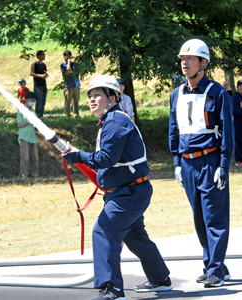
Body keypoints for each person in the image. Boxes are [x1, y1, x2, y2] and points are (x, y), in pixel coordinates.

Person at [63, 75, 172, 300]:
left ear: (112, 97)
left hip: (129, 193)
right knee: (135, 237)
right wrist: (78, 156)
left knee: (103, 232)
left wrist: (78, 155)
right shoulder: (110, 120)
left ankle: (112, 289)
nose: (92, 100)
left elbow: (106, 158)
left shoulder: (115, 122)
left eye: (98, 95)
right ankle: (160, 279)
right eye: (90, 96)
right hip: (127, 191)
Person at [169, 39, 234, 288]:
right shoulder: (177, 93)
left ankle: (215, 269)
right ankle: (214, 265)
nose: (184, 63)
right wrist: (176, 162)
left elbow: (228, 131)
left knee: (214, 218)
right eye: (182, 59)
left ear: (203, 63)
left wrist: (224, 165)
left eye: (190, 59)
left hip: (210, 161)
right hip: (187, 164)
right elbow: (174, 130)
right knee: (199, 217)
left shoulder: (217, 92)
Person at [17, 92, 40, 178]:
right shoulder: (21, 110)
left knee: (35, 158)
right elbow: (19, 125)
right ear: (26, 100)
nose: (32, 101)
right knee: (25, 158)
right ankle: (24, 175)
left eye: (34, 100)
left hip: (32, 137)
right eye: (31, 99)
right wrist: (28, 122)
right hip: (24, 137)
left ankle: (35, 175)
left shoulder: (32, 111)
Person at [60, 50, 81, 118]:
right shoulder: (63, 65)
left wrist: (72, 72)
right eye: (66, 56)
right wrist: (68, 63)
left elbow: (77, 72)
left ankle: (76, 114)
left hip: (76, 84)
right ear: (64, 57)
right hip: (68, 85)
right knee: (68, 100)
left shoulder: (75, 64)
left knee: (76, 100)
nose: (68, 57)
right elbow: (67, 72)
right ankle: (67, 114)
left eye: (69, 55)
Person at [30, 50, 48, 117]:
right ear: (38, 56)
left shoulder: (43, 65)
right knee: (39, 102)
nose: (44, 56)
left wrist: (45, 75)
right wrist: (40, 76)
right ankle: (37, 117)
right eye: (43, 54)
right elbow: (31, 73)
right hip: (38, 86)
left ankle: (41, 116)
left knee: (43, 102)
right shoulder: (35, 64)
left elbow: (44, 72)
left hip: (44, 85)